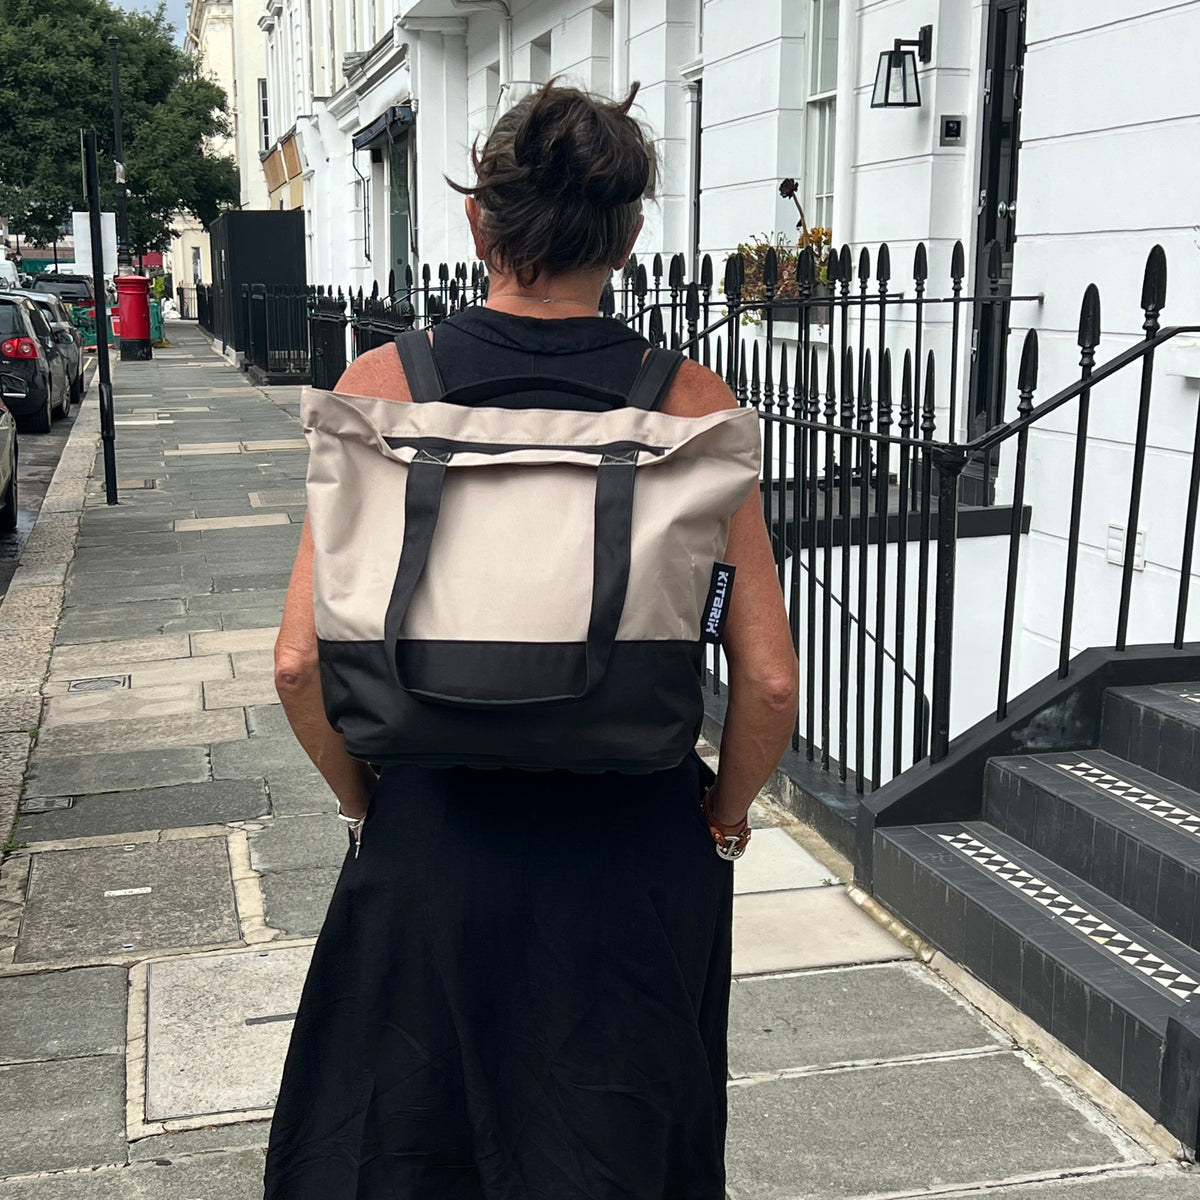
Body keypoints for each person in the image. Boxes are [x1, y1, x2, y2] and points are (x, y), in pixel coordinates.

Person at [265, 81, 798, 1200]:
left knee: (410, 1145)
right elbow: (766, 677)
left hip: (434, 840)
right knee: (618, 1146)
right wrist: (726, 820)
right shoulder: (694, 406)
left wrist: (369, 808)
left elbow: (300, 662)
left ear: (478, 222)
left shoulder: (383, 389)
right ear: (630, 236)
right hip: (632, 856)